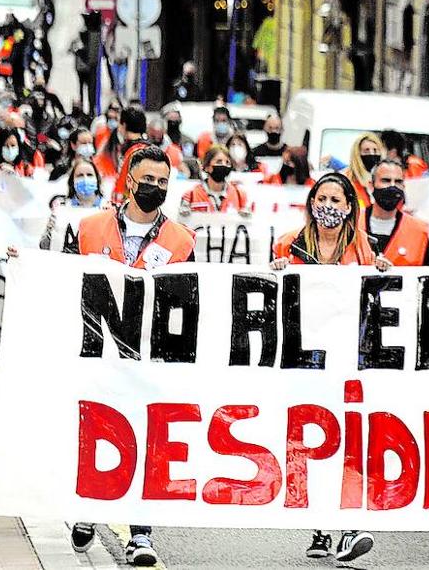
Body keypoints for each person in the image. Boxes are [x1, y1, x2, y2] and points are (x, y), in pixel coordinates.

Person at [65, 145, 196, 567]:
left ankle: (140, 534)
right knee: (95, 435)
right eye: (148, 180)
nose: (154, 187)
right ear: (128, 180)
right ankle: (87, 508)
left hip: (149, 360)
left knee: (146, 441)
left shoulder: (182, 240)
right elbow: (60, 279)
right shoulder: (88, 228)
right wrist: (25, 265)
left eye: (163, 182)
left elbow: (191, 302)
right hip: (96, 354)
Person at [270, 171, 387, 564]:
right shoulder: (289, 245)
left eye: (337, 201)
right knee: (310, 439)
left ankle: (350, 525)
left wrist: (382, 273)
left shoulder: (365, 250)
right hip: (305, 361)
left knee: (350, 440)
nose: (329, 208)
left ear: (350, 207)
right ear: (311, 203)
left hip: (348, 360)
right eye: (323, 199)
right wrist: (274, 273)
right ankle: (320, 527)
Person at [366, 158, 429, 266]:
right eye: (385, 180)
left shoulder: (419, 231)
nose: (392, 186)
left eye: (398, 182)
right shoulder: (352, 224)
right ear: (371, 185)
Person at [180, 145, 249, 213]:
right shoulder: (190, 195)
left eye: (227, 162)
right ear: (207, 166)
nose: (224, 165)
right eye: (219, 162)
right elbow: (182, 221)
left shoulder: (240, 195)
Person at [342, 132, 384, 210]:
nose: (372, 154)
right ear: (357, 154)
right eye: (366, 151)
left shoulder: (384, 179)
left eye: (375, 150)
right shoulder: (346, 180)